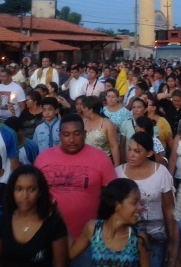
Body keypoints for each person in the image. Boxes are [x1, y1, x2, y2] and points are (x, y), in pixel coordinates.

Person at [35, 114, 117, 266]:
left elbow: (112, 199)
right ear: (59, 135)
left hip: (89, 241)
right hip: (49, 239)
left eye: (76, 134)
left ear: (85, 134)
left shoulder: (101, 159)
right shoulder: (43, 159)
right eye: (66, 135)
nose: (71, 140)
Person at [115, 132, 176, 266]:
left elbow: (170, 208)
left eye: (137, 151)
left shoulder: (161, 173)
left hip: (156, 238)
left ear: (149, 153)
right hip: (124, 238)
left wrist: (172, 241)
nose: (130, 154)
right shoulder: (118, 173)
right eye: (129, 149)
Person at [0, 166, 68, 267]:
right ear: (12, 191)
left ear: (40, 191)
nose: (25, 196)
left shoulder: (54, 225)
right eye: (19, 189)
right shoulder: (2, 223)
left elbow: (60, 264)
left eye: (31, 189)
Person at [69, 178, 150, 267]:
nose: (140, 207)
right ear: (117, 205)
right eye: (134, 203)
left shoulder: (138, 238)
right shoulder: (94, 229)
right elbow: (71, 254)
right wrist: (61, 220)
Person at [82, 96, 119, 166]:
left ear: (91, 110)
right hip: (86, 162)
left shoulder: (107, 124)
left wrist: (117, 166)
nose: (82, 110)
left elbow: (114, 146)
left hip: (103, 162)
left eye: (84, 107)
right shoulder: (83, 122)